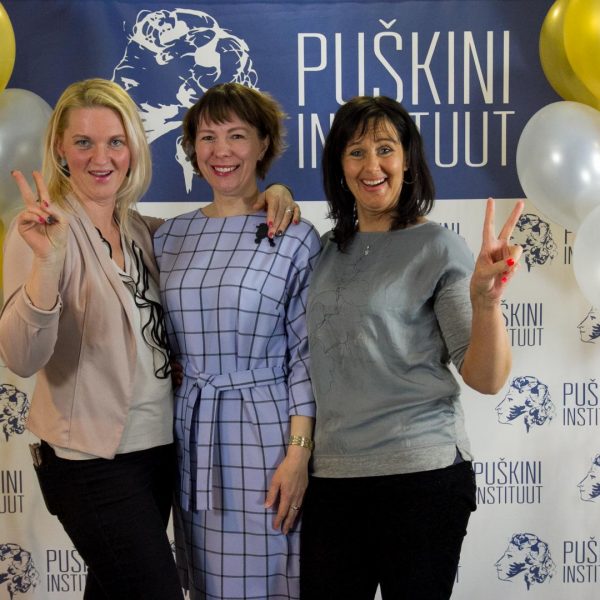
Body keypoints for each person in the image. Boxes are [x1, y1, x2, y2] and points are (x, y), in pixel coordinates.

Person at [0, 78, 297, 600]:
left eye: (115, 141)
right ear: (60, 149)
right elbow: (22, 357)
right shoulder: (43, 232)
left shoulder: (140, 230)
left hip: (157, 455)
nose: (101, 158)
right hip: (90, 463)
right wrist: (47, 265)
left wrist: (272, 193)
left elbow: (215, 234)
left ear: (133, 148)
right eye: (84, 142)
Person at [300, 95, 524, 600]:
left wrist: (486, 303)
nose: (372, 166)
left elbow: (486, 378)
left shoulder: (437, 247)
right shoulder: (325, 249)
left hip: (422, 477)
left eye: (385, 149)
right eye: (356, 152)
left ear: (407, 160)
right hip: (333, 478)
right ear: (339, 166)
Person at [154, 82, 321, 600]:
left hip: (266, 432)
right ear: (192, 148)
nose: (221, 151)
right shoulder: (166, 236)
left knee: (271, 575)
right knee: (206, 581)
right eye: (207, 137)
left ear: (263, 143)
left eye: (237, 135)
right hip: (189, 431)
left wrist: (298, 455)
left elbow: (305, 357)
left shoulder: (294, 235)